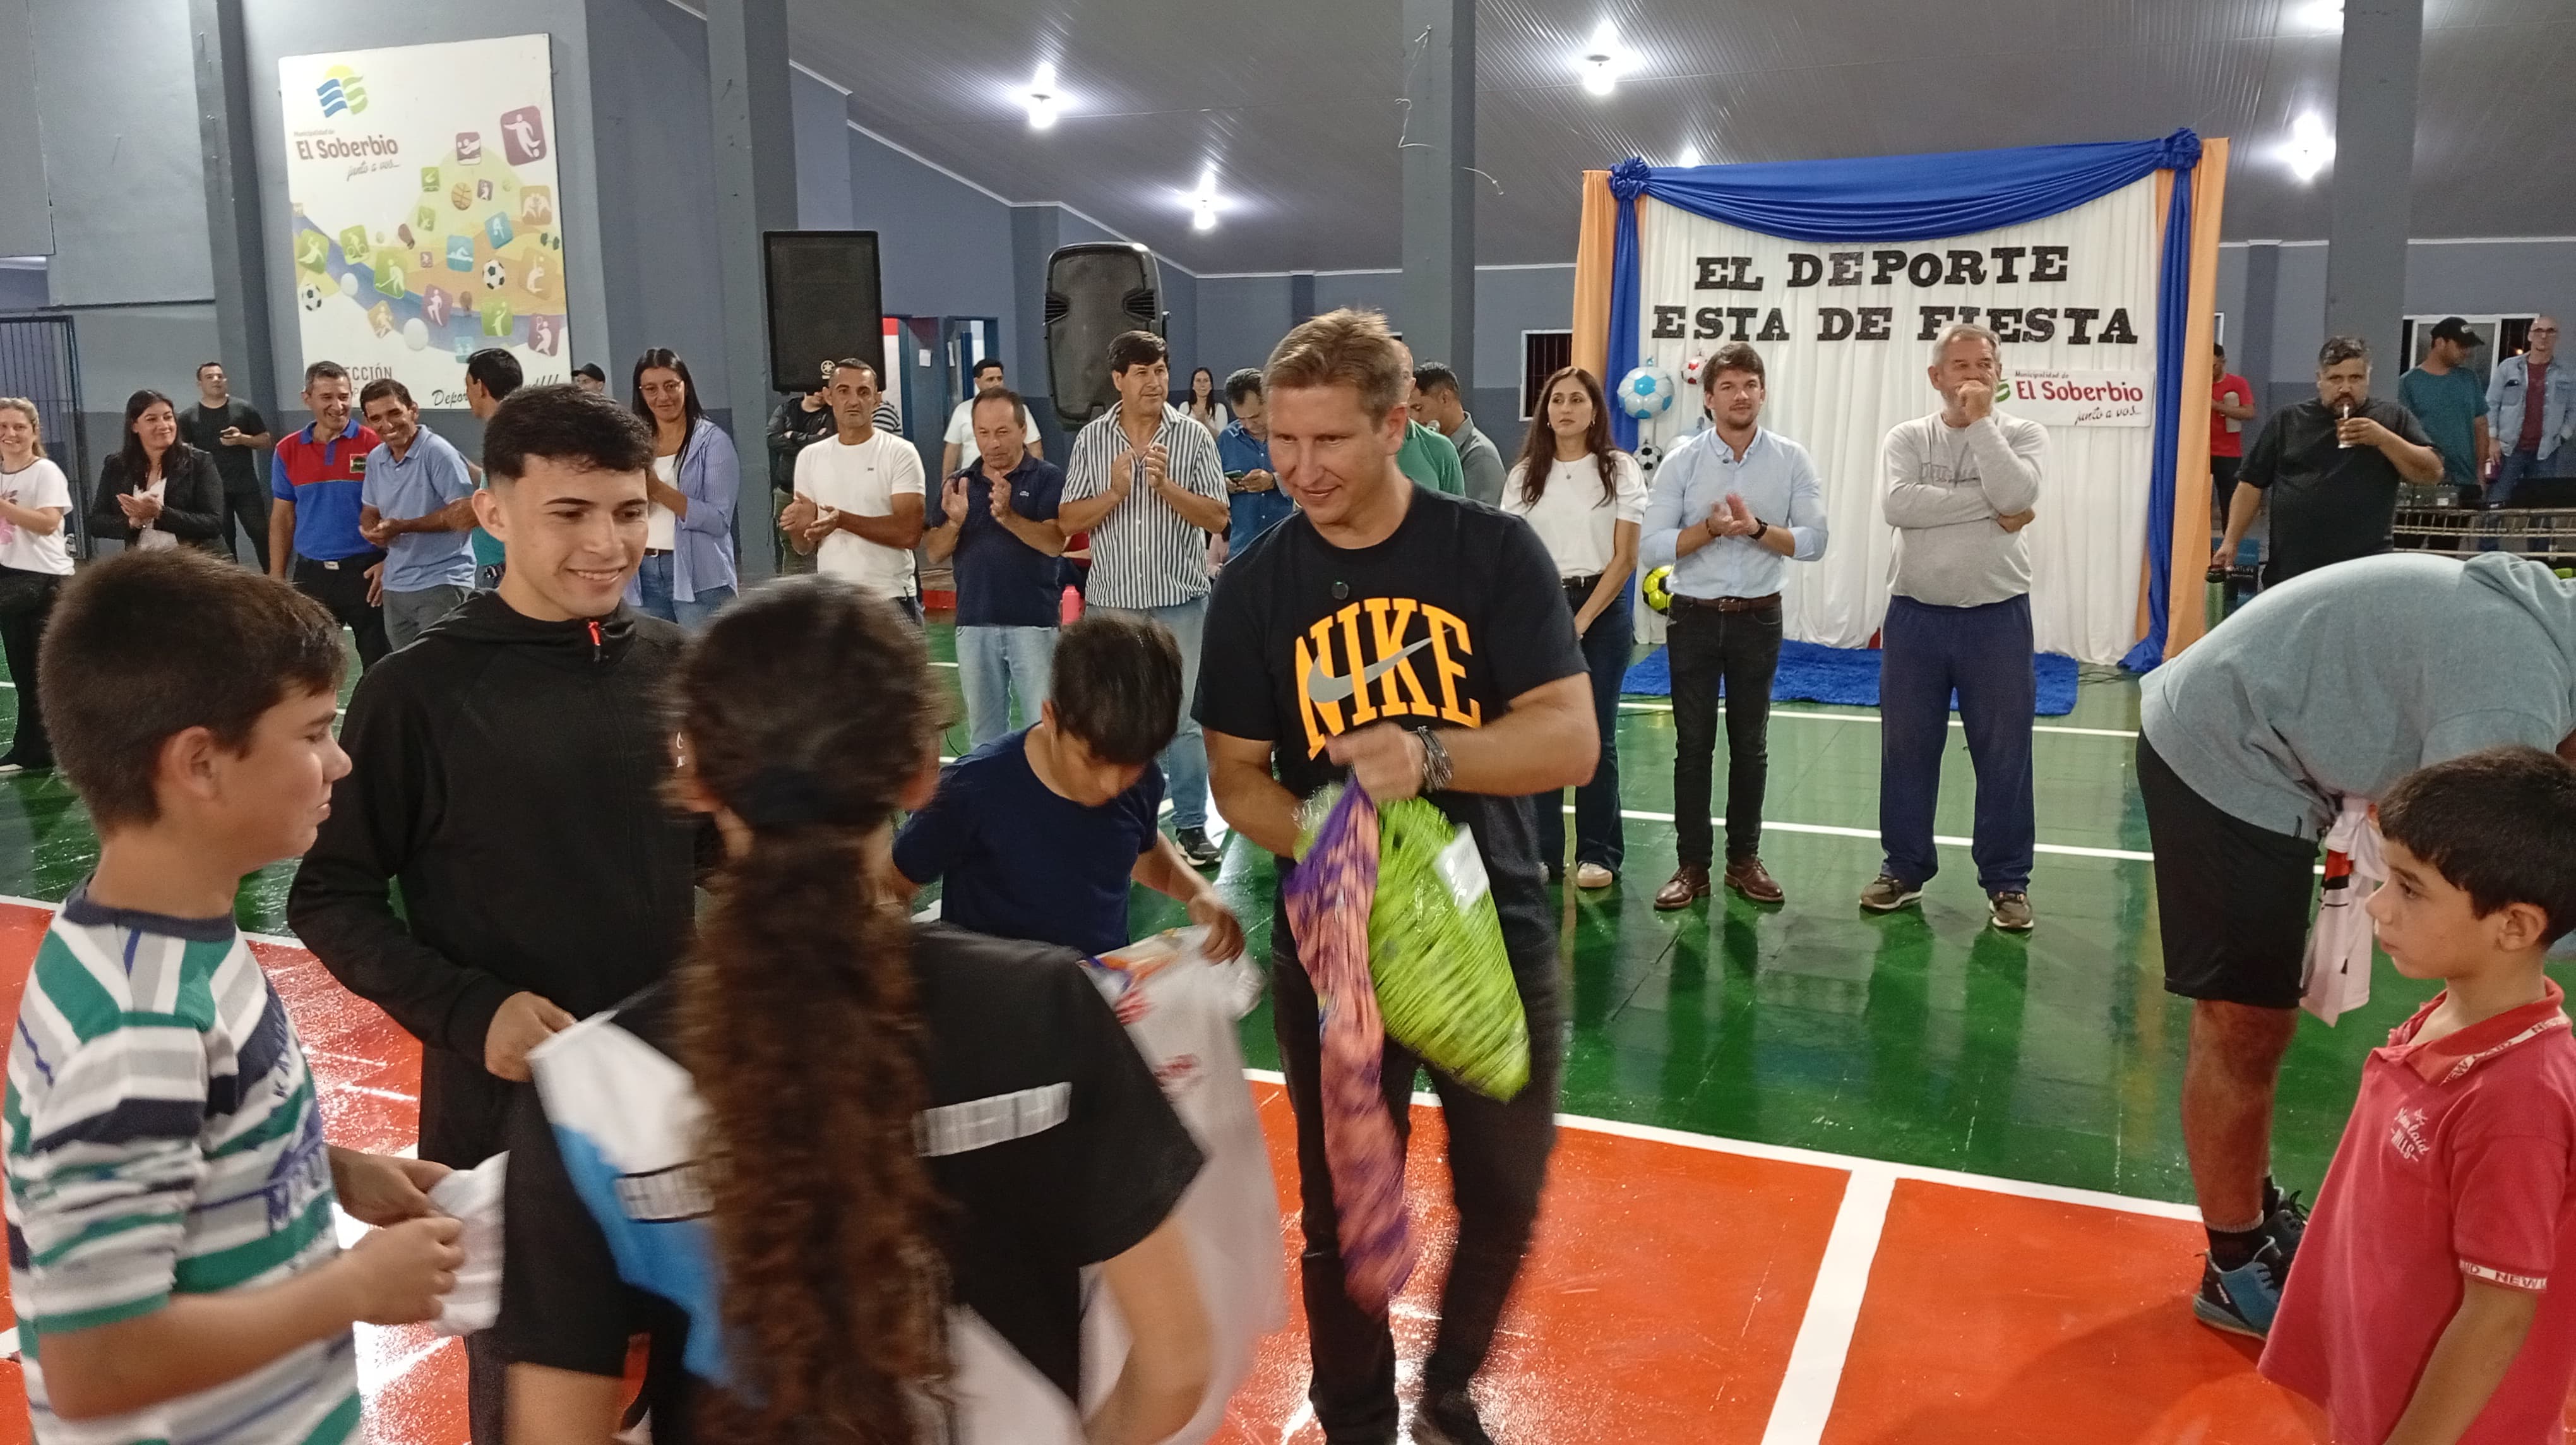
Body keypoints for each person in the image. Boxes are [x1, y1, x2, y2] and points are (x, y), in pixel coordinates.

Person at [498, 578, 1213, 1445]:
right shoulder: (1056, 1010)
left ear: (696, 775)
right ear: (920, 771)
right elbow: (1177, 1363)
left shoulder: (588, 1091)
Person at [1198, 308, 1597, 1445]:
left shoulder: (1490, 554)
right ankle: (1359, 1419)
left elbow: (1570, 739)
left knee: (1505, 1193)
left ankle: (1451, 1390)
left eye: (1328, 439)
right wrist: (1332, 851)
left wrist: (1430, 757)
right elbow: (1235, 778)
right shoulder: (1257, 588)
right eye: (1282, 440)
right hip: (1335, 948)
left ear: (1395, 424)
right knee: (1343, 1215)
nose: (1300, 467)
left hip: (1491, 927)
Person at [288, 384, 704, 1445]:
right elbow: (328, 893)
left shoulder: (680, 671)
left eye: (628, 510)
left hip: (683, 1111)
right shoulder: (417, 694)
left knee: (702, 1397)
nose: (608, 542)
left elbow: (717, 862)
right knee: (530, 1404)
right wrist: (473, 1012)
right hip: (507, 1127)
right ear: (494, 511)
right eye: (571, 512)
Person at [11, 548, 463, 1445]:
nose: (340, 761)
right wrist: (353, 1287)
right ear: (202, 764)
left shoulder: (166, 932)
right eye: (313, 733)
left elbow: (193, 1131)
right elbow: (95, 1362)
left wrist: (326, 1168)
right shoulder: (136, 1027)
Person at [2137, 551, 2576, 1337]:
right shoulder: (2512, 690)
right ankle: (2234, 1261)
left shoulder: (2544, 644)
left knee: (2262, 1014)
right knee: (2247, 1016)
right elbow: (2489, 897)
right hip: (2224, 741)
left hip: (2281, 736)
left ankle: (2255, 1211)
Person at [2255, 745, 2576, 1445]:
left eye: (2409, 888)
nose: (2377, 904)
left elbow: (2499, 1311)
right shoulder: (2450, 1016)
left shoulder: (2517, 1100)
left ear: (2514, 926)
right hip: (2384, 1375)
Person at [896, 610, 1246, 960]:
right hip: (994, 991)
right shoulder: (971, 790)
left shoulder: (1143, 783)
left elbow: (1142, 849)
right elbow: (893, 885)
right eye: (1093, 761)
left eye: (1133, 765)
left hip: (1095, 986)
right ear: (1051, 717)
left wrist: (1197, 891)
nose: (1112, 785)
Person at [1864, 323, 2046, 933]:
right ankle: (1904, 868)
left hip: (1998, 619)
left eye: (1984, 365)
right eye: (1960, 365)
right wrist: (1993, 506)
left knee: (2005, 752)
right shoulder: (1907, 437)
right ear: (1935, 376)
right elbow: (1898, 506)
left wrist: (1982, 425)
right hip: (1915, 617)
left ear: (1999, 373)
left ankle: (2007, 880)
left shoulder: (2021, 433)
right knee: (1906, 748)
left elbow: (2017, 492)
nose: (1973, 376)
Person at [1639, 342, 1828, 910]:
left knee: (1751, 745)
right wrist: (1709, 531)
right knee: (1693, 746)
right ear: (1709, 398)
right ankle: (1691, 866)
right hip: (1693, 617)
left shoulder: (1791, 459)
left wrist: (1757, 530)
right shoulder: (1682, 462)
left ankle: (1744, 861)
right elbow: (1652, 547)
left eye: (1749, 385)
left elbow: (1815, 541)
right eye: (1728, 387)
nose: (1740, 395)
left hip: (1758, 617)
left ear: (1763, 393)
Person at [1058, 330, 1231, 869]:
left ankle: (1192, 825)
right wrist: (1114, 493)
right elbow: (1067, 520)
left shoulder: (1194, 438)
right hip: (1114, 604)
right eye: (1142, 373)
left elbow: (1218, 516)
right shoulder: (1092, 440)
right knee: (1116, 717)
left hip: (1181, 601)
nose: (1155, 382)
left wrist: (1167, 488)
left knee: (1184, 720)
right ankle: (1119, 822)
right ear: (1118, 380)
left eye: (1160, 371)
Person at [1501, 364, 1645, 891]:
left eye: (1577, 400)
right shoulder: (1524, 476)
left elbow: (1625, 558)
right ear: (1546, 411)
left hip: (1601, 612)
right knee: (1543, 733)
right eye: (1557, 399)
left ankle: (1598, 852)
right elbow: (1514, 555)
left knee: (1596, 735)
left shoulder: (1619, 469)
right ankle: (1542, 853)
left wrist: (1581, 620)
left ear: (1594, 411)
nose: (1566, 409)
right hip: (1541, 609)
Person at [2216, 335, 2442, 585]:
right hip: (2293, 569)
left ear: (2367, 379)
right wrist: (2231, 541)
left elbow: (2432, 473)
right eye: (2336, 379)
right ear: (2320, 379)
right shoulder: (2288, 420)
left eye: (2355, 378)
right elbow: (2251, 484)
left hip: (2364, 570)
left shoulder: (2392, 418)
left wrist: (2384, 439)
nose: (2345, 388)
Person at [927, 386, 1066, 745]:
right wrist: (955, 522)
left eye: (1003, 432)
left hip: (1034, 624)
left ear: (1023, 430)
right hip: (974, 623)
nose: (993, 443)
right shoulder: (958, 484)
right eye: (984, 433)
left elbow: (1054, 543)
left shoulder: (1047, 477)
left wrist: (1008, 517)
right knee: (984, 737)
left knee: (1045, 731)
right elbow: (934, 553)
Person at [782, 358, 926, 616]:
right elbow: (803, 547)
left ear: (876, 399)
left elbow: (909, 533)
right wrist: (799, 527)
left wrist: (842, 520)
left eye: (863, 392)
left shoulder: (900, 453)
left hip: (889, 597)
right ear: (829, 396)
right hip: (834, 602)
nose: (853, 401)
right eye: (844, 391)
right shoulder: (810, 457)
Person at [268, 363, 390, 668]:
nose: (338, 406)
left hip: (367, 574)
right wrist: (276, 578)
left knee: (379, 664)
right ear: (307, 398)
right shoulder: (287, 450)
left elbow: (400, 508)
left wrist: (390, 562)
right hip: (312, 577)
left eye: (344, 396)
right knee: (312, 667)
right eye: (327, 397)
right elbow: (283, 519)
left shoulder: (374, 445)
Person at [355, 379, 477, 651]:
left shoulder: (438, 452)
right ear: (367, 421)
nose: (387, 425)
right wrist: (371, 528)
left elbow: (465, 513)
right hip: (396, 586)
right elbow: (370, 510)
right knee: (406, 671)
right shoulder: (375, 459)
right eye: (376, 418)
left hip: (443, 582)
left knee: (443, 667)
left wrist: (403, 526)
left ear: (413, 410)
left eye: (394, 413)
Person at [626, 347, 740, 628]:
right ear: (641, 393)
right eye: (651, 389)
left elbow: (718, 521)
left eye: (670, 386)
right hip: (642, 574)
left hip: (700, 578)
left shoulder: (713, 442)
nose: (662, 397)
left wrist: (658, 490)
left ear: (685, 386)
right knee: (652, 654)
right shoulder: (633, 442)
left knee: (703, 657)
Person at [0, 397, 71, 774]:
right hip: (10, 584)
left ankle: (67, 748)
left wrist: (4, 508)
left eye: (18, 426)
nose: (10, 434)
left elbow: (47, 522)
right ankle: (28, 749)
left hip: (45, 584)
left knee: (49, 674)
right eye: (3, 427)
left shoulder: (45, 472)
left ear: (34, 431)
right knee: (22, 672)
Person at [92, 388, 228, 558]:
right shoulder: (116, 465)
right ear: (134, 426)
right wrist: (133, 521)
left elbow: (213, 524)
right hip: (145, 564)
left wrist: (159, 513)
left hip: (196, 564)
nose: (163, 426)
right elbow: (96, 523)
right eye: (152, 419)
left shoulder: (199, 461)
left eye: (168, 417)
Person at [176, 360, 274, 567]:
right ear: (200, 384)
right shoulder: (188, 416)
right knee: (224, 541)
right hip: (212, 490)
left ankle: (273, 575)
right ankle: (233, 582)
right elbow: (181, 452)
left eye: (220, 376)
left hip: (246, 486)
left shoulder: (244, 409)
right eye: (210, 377)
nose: (216, 380)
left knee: (260, 532)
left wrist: (242, 439)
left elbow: (265, 440)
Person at [2399, 316, 2491, 500]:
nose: (2466, 352)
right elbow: (2403, 434)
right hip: (2426, 480)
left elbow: (2480, 425)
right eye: (2461, 346)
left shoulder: (2469, 379)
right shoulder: (2409, 383)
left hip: (2466, 478)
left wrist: (2480, 472)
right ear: (2440, 343)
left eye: (2468, 347)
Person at [2488, 316, 2573, 507]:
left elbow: (2573, 409)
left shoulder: (2567, 373)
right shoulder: (2508, 367)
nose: (2544, 336)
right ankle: (2490, 528)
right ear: (2529, 336)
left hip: (2546, 451)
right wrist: (2492, 440)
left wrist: (2562, 437)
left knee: (2541, 506)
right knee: (2496, 502)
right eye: (2538, 331)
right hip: (2509, 449)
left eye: (2550, 331)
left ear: (2557, 337)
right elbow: (2492, 403)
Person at [766, 362, 838, 577]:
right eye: (815, 387)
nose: (820, 392)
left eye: (825, 387)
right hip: (787, 491)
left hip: (822, 494)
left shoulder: (831, 414)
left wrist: (794, 436)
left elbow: (827, 441)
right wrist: (808, 444)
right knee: (790, 547)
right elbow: (772, 438)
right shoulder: (786, 409)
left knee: (825, 544)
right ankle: (793, 591)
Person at [1217, 368, 1296, 556]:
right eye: (1241, 419)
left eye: (1254, 417)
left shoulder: (1294, 433)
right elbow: (1210, 485)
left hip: (1288, 545)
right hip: (1243, 548)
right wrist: (1224, 486)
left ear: (1269, 401)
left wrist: (1273, 481)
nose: (1249, 425)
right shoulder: (1227, 439)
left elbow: (1310, 478)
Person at [462, 349, 523, 591]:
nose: (467, 394)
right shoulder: (513, 430)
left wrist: (461, 513)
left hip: (503, 573)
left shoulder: (510, 434)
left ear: (480, 387)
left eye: (468, 386)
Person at [1409, 361, 1507, 508]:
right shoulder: (1424, 447)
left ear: (1445, 398)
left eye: (1418, 408)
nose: (1414, 418)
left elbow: (1476, 517)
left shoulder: (1480, 456)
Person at [941, 356, 1046, 477]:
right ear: (977, 382)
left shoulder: (1017, 409)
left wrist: (1035, 478)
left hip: (1012, 478)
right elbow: (952, 450)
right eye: (990, 379)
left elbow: (1034, 446)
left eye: (999, 379)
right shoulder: (962, 410)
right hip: (972, 479)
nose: (996, 384)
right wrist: (946, 481)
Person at [1388, 340, 1465, 496]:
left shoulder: (1440, 450)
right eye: (1385, 375)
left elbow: (1456, 509)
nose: (1394, 384)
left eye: (1402, 376)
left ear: (1411, 386)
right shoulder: (1353, 443)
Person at [2210, 341, 2255, 528]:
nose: (2210, 371)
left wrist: (2217, 407)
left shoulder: (2237, 384)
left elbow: (2249, 413)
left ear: (2223, 362)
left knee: (2229, 500)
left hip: (2228, 453)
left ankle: (2229, 539)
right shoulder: (2197, 383)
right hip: (2200, 452)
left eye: (2214, 366)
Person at [1183, 365, 1228, 435]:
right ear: (1193, 386)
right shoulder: (1184, 407)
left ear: (1211, 386)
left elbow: (1221, 438)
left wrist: (1205, 424)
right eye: (1198, 381)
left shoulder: (1220, 408)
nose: (1202, 385)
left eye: (1206, 381)